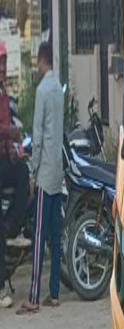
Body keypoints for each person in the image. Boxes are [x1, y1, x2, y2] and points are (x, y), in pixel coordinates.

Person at [17, 42, 64, 315]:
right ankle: (54, 293)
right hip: (57, 170)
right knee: (55, 235)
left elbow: (37, 136)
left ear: (40, 61)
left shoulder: (42, 91)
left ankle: (33, 296)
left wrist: (33, 172)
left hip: (45, 171)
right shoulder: (58, 88)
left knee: (39, 233)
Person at [0, 41, 29, 309]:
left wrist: (14, 151)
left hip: (3, 158)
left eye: (4, 61)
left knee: (23, 174)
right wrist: (12, 133)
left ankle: (12, 227)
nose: (2, 66)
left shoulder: (4, 91)